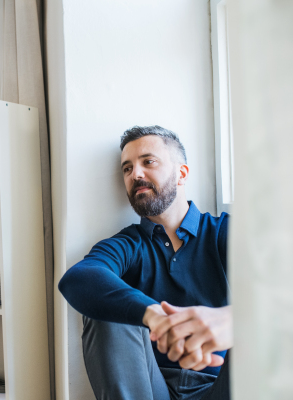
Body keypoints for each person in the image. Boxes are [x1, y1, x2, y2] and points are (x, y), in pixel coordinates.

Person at [58, 126, 232, 400]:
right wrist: (153, 315)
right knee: (103, 308)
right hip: (148, 387)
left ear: (181, 173)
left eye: (148, 162)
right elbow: (78, 278)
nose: (135, 174)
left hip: (222, 385)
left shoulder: (224, 232)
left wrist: (233, 320)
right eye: (127, 168)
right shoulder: (129, 244)